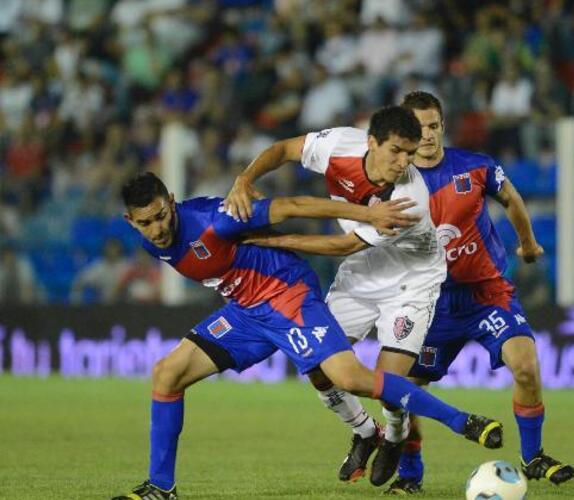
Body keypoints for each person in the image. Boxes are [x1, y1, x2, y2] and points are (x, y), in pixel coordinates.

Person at [112, 172, 503, 500]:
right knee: (166, 374)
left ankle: (461, 421)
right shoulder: (152, 242)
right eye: (146, 222)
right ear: (131, 221)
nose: (158, 228)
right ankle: (161, 488)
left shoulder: (215, 219)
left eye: (162, 216)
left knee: (349, 378)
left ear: (173, 201)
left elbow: (294, 206)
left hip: (288, 295)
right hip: (246, 313)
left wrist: (365, 213)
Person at [225, 106, 461, 487]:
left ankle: (395, 437)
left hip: (410, 282)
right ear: (371, 143)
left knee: (387, 386)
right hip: (363, 273)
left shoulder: (410, 196)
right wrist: (244, 179)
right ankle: (366, 432)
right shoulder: (339, 145)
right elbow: (284, 149)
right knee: (317, 366)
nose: (404, 162)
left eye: (410, 153)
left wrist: (274, 240)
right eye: (396, 151)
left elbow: (343, 245)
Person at [385, 91, 574, 493]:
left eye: (434, 126)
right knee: (403, 392)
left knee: (525, 365)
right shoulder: (391, 185)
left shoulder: (475, 166)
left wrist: (527, 243)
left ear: (443, 126)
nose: (429, 135)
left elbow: (511, 198)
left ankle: (534, 456)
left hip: (486, 292)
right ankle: (411, 472)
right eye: (419, 128)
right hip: (429, 302)